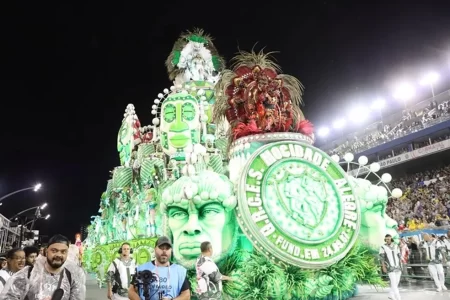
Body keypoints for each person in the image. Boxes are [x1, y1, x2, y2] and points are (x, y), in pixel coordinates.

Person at [0, 234, 86, 299]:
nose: (59, 255)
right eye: (54, 250)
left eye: (63, 252)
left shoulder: (72, 277)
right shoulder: (28, 274)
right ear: (46, 251)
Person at [379, 234, 402, 300]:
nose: (387, 240)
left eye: (388, 239)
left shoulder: (396, 246)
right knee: (394, 282)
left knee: (396, 282)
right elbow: (381, 258)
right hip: (390, 267)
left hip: (398, 267)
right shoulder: (383, 247)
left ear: (391, 239)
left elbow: (399, 256)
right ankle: (398, 297)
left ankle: (391, 295)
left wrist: (401, 265)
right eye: (386, 239)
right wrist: (383, 266)